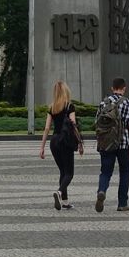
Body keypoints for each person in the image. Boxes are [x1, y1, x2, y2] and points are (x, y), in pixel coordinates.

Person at [95, 77, 129, 212]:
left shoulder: (103, 103)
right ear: (124, 88)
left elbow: (97, 124)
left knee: (105, 172)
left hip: (107, 143)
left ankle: (101, 191)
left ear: (112, 88)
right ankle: (122, 203)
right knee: (124, 172)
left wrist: (100, 142)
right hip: (124, 144)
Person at [38, 79, 82, 210]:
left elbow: (47, 128)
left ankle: (65, 202)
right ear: (65, 91)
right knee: (69, 173)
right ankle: (59, 192)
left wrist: (42, 147)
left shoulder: (52, 107)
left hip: (54, 141)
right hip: (65, 141)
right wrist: (80, 143)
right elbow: (73, 126)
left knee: (63, 172)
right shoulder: (69, 107)